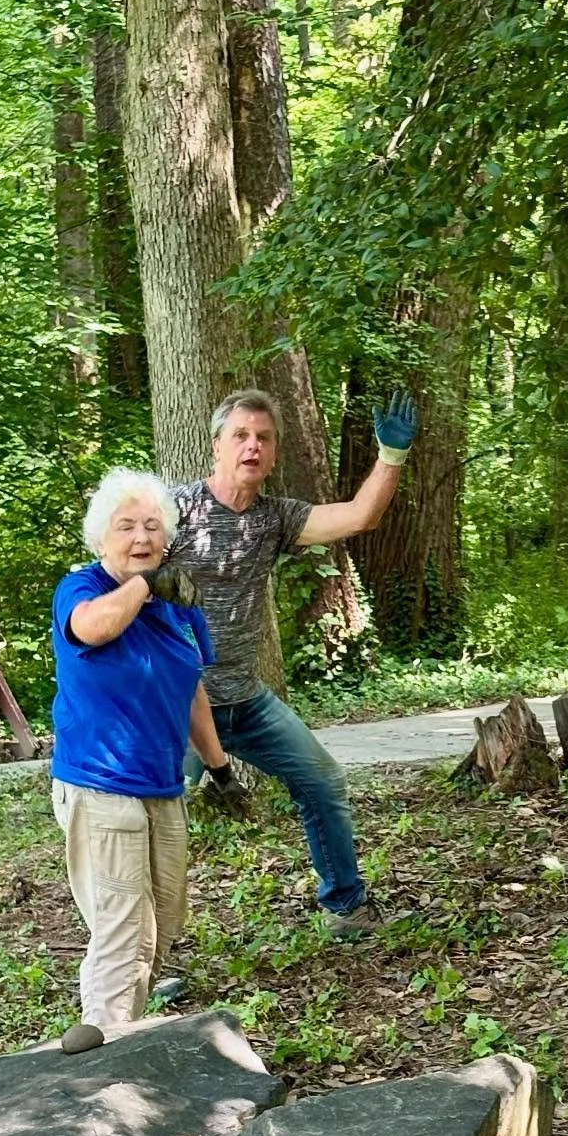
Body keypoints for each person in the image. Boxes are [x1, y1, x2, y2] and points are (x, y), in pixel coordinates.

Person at [164, 387, 418, 938]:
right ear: (215, 446)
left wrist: (390, 456)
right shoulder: (175, 511)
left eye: (264, 438)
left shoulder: (276, 518)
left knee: (322, 780)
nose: (252, 446)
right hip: (176, 705)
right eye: (240, 435)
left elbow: (360, 516)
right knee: (156, 824)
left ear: (274, 453)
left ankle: (346, 910)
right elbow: (113, 567)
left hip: (245, 700)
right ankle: (152, 954)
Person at [51, 469, 245, 1052]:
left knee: (163, 916)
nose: (140, 537)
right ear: (100, 538)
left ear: (168, 536)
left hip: (161, 784)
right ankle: (103, 1042)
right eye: (126, 526)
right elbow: (93, 629)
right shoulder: (82, 590)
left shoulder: (180, 608)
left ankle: (124, 1027)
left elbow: (191, 690)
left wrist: (220, 769)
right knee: (123, 920)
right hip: (99, 780)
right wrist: (144, 586)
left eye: (152, 526)